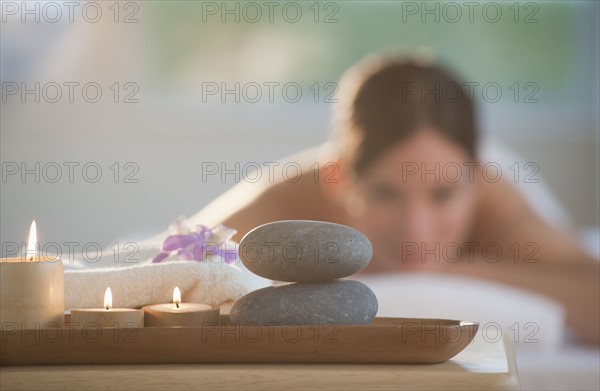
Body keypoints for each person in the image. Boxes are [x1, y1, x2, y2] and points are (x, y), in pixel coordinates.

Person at [183, 54, 599, 344]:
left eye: (442, 195)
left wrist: (461, 270)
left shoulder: (496, 200)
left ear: (476, 181)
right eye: (384, 194)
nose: (415, 229)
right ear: (338, 180)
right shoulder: (283, 203)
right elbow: (171, 269)